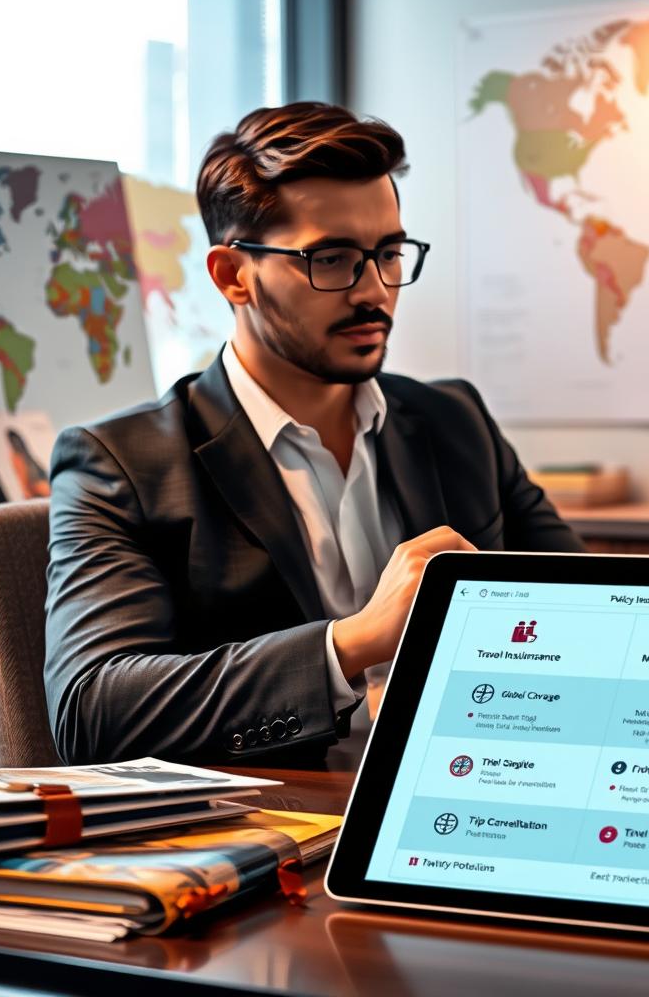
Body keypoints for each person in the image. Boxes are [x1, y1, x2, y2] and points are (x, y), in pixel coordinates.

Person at [44, 101, 583, 766]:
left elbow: (588, 616)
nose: (375, 291)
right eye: (332, 259)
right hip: (278, 839)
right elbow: (93, 711)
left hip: (472, 801)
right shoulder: (123, 464)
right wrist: (353, 643)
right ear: (232, 275)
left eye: (389, 252)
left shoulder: (456, 421)